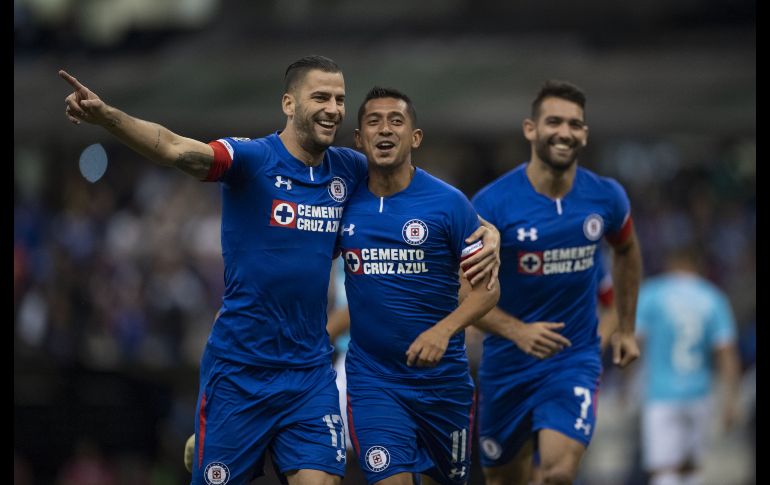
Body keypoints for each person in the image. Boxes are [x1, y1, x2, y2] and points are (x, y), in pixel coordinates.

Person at [59, 56, 500, 485]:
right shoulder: (252, 160)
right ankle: (212, 438)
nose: (332, 109)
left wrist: (485, 229)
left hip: (309, 371)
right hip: (241, 368)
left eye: (339, 99)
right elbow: (175, 148)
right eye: (320, 97)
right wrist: (108, 118)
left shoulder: (349, 170)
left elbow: (413, 185)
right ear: (289, 104)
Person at [470, 79, 643, 485]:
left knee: (558, 472)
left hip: (573, 359)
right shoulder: (492, 204)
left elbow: (627, 251)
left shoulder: (606, 197)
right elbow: (462, 290)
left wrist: (626, 327)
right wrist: (517, 331)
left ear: (584, 133)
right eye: (554, 122)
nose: (565, 132)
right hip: (507, 361)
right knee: (502, 479)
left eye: (575, 124)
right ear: (531, 129)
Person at [338, 87, 500, 485]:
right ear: (359, 139)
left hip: (442, 386)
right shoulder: (343, 203)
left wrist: (444, 331)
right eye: (373, 121)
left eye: (396, 120)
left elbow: (487, 290)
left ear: (415, 137)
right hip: (373, 381)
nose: (384, 129)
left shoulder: (449, 204)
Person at [635, 246, 740, 485]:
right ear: (698, 266)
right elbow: (726, 352)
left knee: (663, 470)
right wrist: (731, 398)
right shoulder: (713, 297)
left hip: (660, 392)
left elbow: (634, 342)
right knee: (693, 467)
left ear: (671, 263)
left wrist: (626, 380)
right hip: (699, 391)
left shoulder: (652, 293)